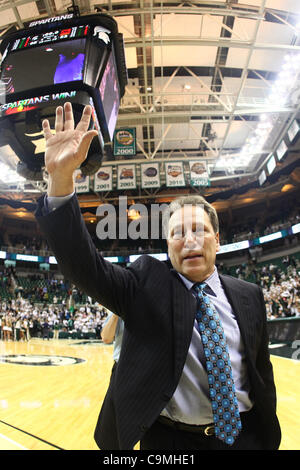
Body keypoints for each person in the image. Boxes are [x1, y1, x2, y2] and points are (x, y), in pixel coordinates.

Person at [35, 102, 281, 451]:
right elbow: (84, 266)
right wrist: (61, 180)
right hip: (170, 442)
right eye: (179, 233)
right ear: (168, 246)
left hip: (244, 437)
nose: (190, 240)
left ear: (217, 238)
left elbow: (259, 371)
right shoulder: (145, 283)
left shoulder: (249, 294)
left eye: (199, 229)